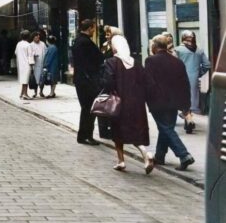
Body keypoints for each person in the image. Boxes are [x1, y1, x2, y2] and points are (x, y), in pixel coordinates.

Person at [101, 35, 153, 173]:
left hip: (119, 102)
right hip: (136, 103)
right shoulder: (136, 63)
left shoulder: (111, 62)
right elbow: (146, 82)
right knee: (135, 129)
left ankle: (121, 161)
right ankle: (145, 154)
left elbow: (108, 82)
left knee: (118, 130)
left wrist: (106, 93)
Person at [144, 34, 195, 170]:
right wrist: (186, 105)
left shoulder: (150, 61)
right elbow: (185, 84)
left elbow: (148, 83)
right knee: (166, 128)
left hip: (158, 101)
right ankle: (160, 156)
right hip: (174, 102)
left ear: (154, 46)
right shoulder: (177, 62)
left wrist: (146, 98)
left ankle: (184, 155)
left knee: (165, 128)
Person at [71, 19, 103, 145]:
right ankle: (86, 135)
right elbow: (94, 60)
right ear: (89, 28)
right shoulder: (85, 42)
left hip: (81, 79)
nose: (94, 31)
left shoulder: (78, 40)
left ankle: (83, 135)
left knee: (86, 108)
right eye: (93, 29)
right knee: (89, 109)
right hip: (87, 80)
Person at [175, 31, 210, 133]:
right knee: (190, 101)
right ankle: (188, 120)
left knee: (181, 100)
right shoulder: (200, 51)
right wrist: (198, 74)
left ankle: (188, 118)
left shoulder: (178, 50)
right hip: (193, 79)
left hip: (180, 79)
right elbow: (207, 65)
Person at [15, 30, 33, 100]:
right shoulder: (28, 45)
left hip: (20, 64)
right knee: (26, 80)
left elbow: (16, 52)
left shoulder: (18, 44)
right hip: (27, 64)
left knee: (23, 79)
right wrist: (32, 65)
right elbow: (30, 56)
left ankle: (22, 93)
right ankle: (25, 94)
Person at [29, 31, 46, 98]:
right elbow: (30, 54)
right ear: (33, 38)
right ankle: (35, 92)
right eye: (36, 38)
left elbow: (45, 52)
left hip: (42, 64)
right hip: (35, 65)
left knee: (42, 79)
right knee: (35, 79)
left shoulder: (42, 44)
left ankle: (41, 91)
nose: (37, 39)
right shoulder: (31, 45)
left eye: (38, 38)